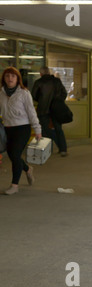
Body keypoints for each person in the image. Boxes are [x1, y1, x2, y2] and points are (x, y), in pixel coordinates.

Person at [0, 67, 42, 195]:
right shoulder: (0, 93)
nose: (10, 78)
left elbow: (31, 112)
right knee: (14, 156)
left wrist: (37, 129)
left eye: (13, 76)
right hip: (7, 128)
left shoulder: (24, 93)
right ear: (4, 79)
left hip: (22, 128)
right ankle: (28, 168)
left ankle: (14, 185)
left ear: (18, 79)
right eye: (7, 76)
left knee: (15, 155)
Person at [31, 66, 68, 157]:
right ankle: (63, 149)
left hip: (43, 110)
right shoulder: (57, 81)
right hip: (56, 109)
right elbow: (64, 93)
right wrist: (59, 102)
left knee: (45, 130)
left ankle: (46, 150)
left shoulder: (38, 82)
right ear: (49, 72)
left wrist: (41, 101)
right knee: (58, 129)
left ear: (41, 74)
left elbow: (34, 95)